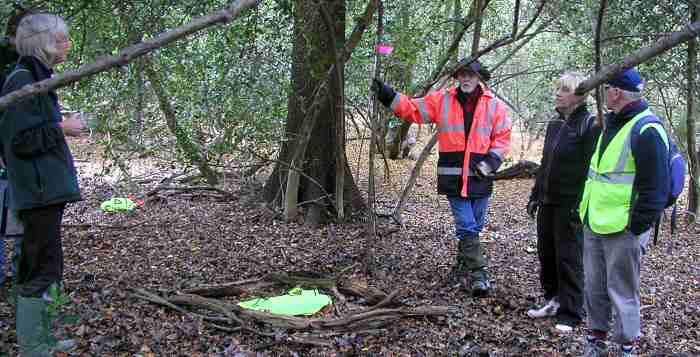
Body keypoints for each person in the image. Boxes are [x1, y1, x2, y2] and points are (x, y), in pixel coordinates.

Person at [371, 58, 512, 297]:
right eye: (462, 74)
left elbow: (503, 138)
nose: (466, 78)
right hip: (453, 178)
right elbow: (411, 109)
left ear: (479, 78)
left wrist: (489, 164)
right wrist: (386, 93)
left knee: (475, 226)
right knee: (467, 226)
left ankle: (461, 266)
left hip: (481, 179)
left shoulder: (495, 106)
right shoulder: (442, 100)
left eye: (470, 74)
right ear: (457, 78)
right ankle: (479, 275)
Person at [0, 13, 82, 355]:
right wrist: (62, 129)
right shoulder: (22, 80)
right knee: (37, 267)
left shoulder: (38, 79)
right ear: (45, 43)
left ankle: (44, 337)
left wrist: (55, 125)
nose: (68, 45)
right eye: (62, 39)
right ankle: (34, 347)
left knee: (49, 265)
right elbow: (18, 141)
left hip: (46, 191)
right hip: (36, 193)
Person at [579, 68, 670, 357]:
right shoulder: (613, 123)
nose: (604, 92)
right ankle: (596, 340)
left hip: (624, 227)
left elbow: (656, 186)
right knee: (594, 286)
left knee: (622, 290)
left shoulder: (647, 129)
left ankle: (626, 346)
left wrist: (636, 226)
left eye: (607, 88)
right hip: (595, 220)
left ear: (616, 92)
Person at [525, 72, 600, 334]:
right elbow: (546, 163)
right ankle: (554, 300)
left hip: (570, 204)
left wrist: (580, 204)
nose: (558, 93)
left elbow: (591, 169)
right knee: (547, 254)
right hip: (547, 200)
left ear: (580, 96)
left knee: (569, 258)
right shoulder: (555, 125)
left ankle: (571, 311)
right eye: (557, 88)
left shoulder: (590, 125)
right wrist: (536, 194)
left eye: (564, 89)